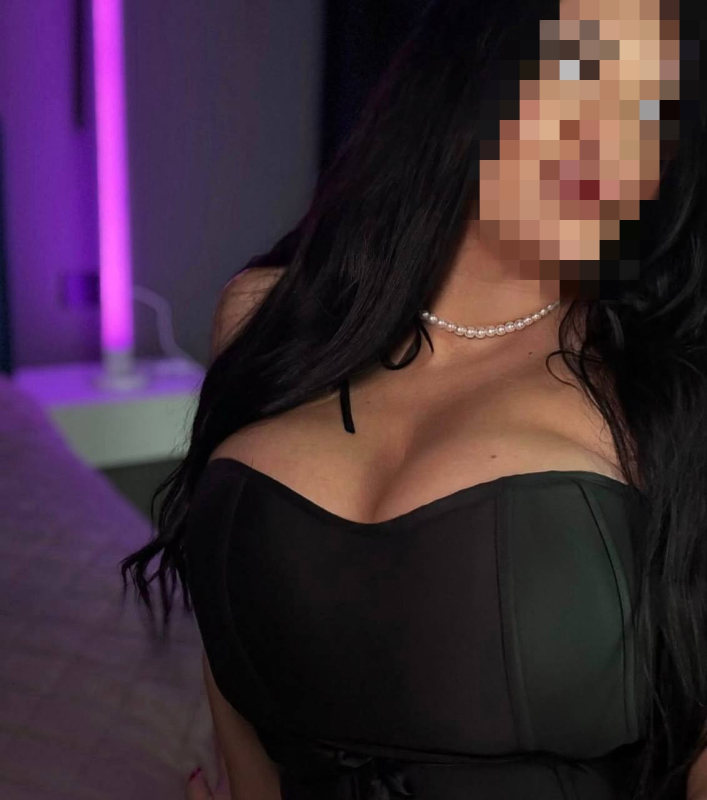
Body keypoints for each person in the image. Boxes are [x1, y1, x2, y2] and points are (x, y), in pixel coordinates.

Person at [120, 0, 707, 798]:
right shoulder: (267, 314)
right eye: (577, 77)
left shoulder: (662, 379)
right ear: (465, 79)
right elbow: (226, 650)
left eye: (649, 111)